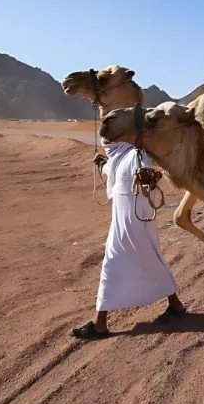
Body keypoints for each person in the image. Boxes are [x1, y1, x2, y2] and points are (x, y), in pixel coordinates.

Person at [71, 143, 185, 339]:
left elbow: (143, 175)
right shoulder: (122, 156)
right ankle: (175, 304)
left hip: (133, 221)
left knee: (111, 264)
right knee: (149, 259)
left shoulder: (136, 153)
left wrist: (148, 176)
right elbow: (117, 171)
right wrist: (102, 165)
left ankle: (100, 324)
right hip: (127, 219)